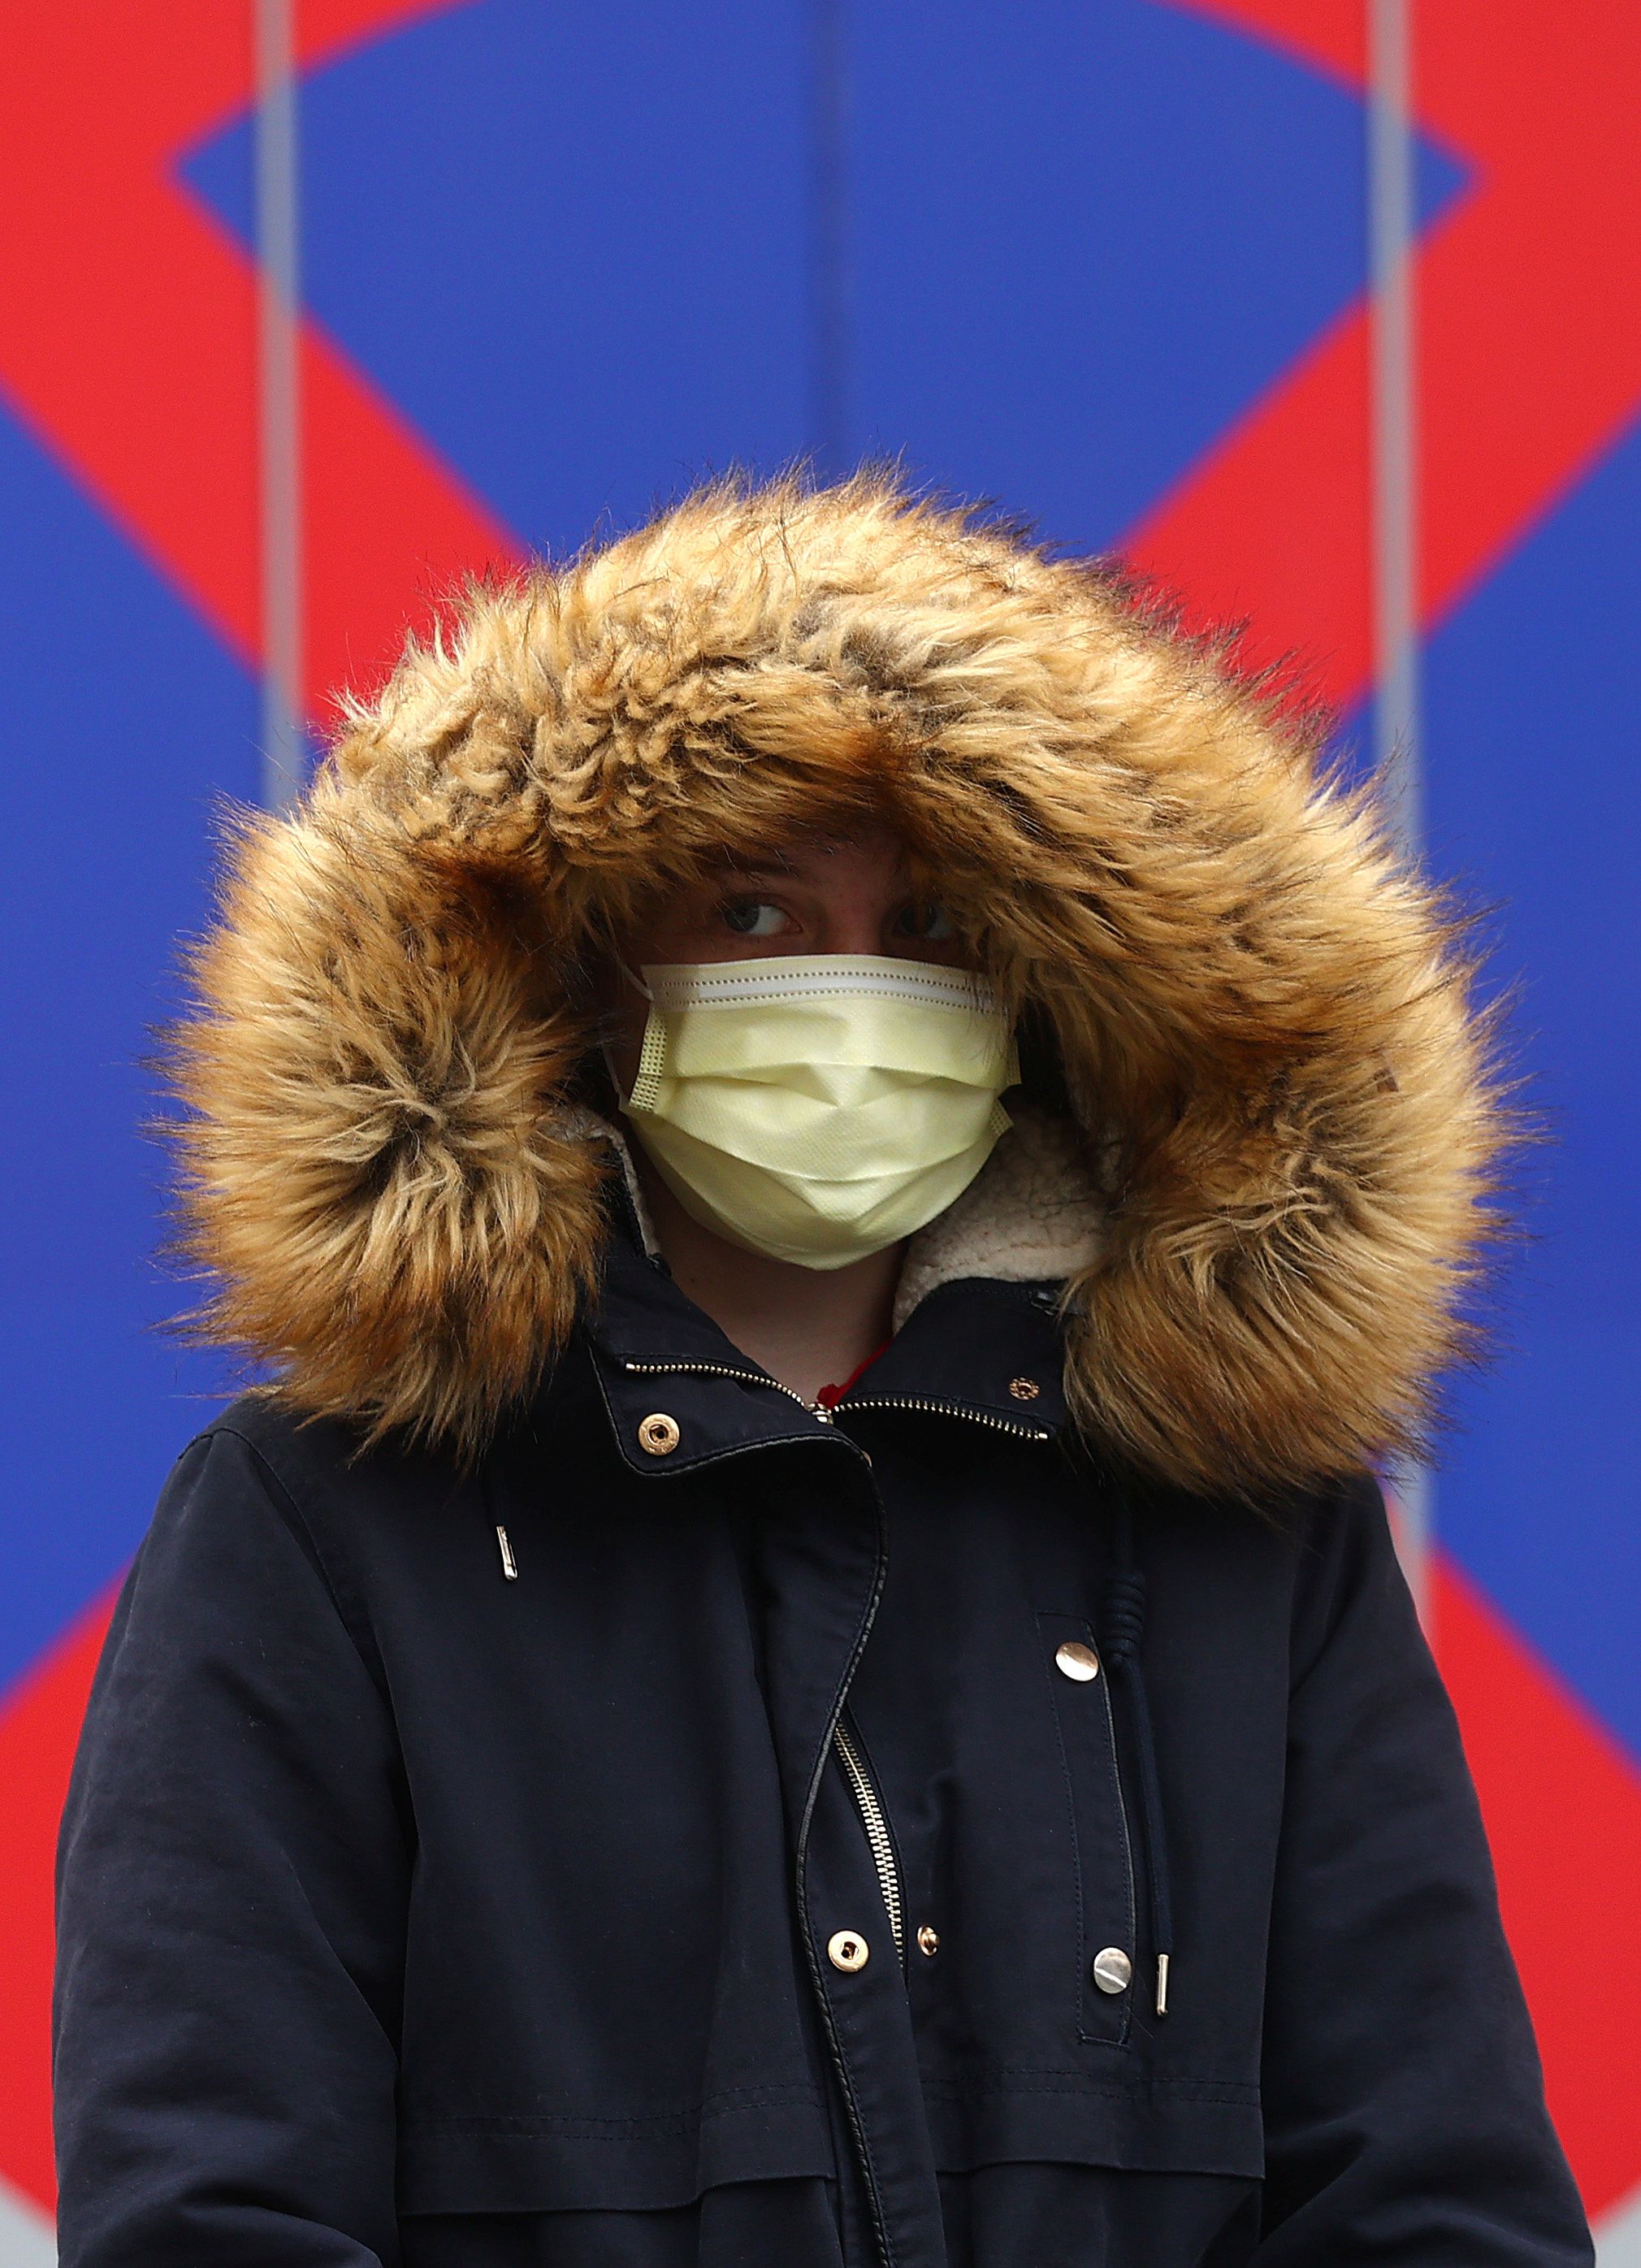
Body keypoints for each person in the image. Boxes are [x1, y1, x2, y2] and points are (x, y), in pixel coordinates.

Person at [52, 474, 1592, 2267]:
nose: (856, 999)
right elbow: (213, 2215)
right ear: (588, 973)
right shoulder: (330, 1521)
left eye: (932, 928)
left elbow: (1433, 2201)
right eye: (758, 914)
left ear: (1043, 992)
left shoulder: (1240, 1530)